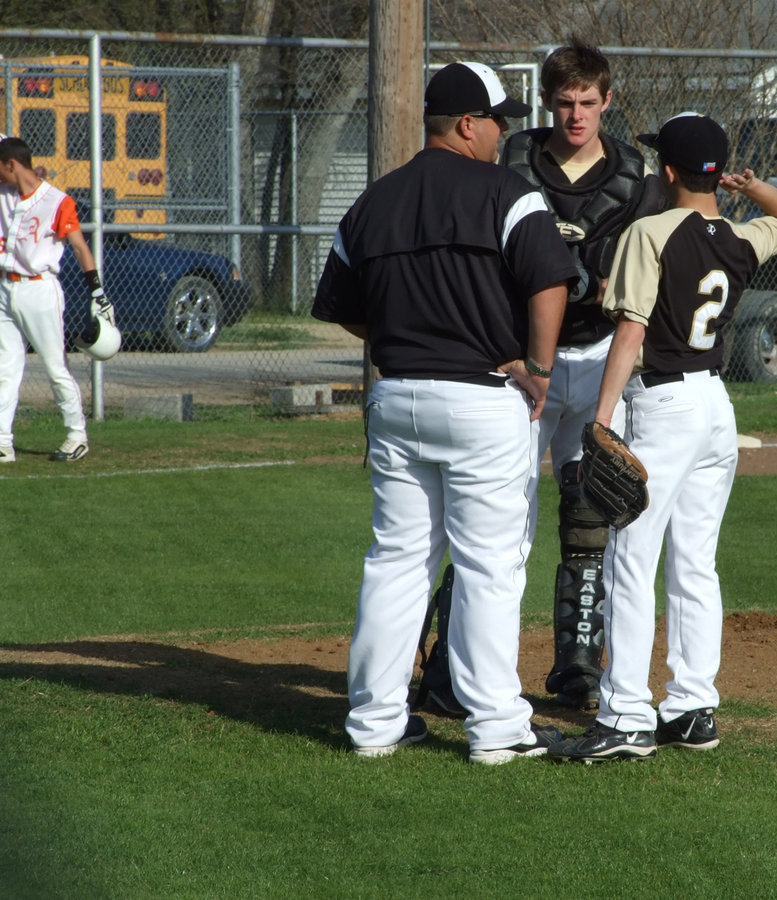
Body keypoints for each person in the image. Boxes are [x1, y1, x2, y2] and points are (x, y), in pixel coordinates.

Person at [311, 62, 578, 764]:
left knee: (396, 561)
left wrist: (404, 340)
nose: (502, 133)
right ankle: (495, 731)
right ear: (467, 124)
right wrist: (540, 368)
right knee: (490, 566)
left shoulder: (373, 202)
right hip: (483, 398)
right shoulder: (506, 193)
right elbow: (550, 280)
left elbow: (341, 308)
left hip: (397, 398)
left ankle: (374, 723)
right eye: (497, 120)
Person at [550, 113, 777, 763]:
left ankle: (627, 716)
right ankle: (692, 708)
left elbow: (630, 334)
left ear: (665, 172)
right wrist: (745, 187)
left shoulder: (650, 232)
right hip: (716, 407)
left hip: (661, 403)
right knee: (694, 561)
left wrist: (599, 421)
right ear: (716, 174)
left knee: (630, 557)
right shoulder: (740, 241)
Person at [498, 36, 664, 712]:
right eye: (563, 103)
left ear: (607, 101)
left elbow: (654, 260)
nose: (575, 116)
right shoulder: (513, 162)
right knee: (499, 517)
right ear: (546, 102)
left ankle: (577, 663)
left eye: (587, 103)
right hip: (524, 360)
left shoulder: (636, 174)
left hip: (600, 355)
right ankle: (464, 665)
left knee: (590, 511)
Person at [0, 135, 108, 463]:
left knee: (54, 366)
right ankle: (3, 441)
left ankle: (76, 435)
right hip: (5, 288)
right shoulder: (6, 193)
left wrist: (98, 292)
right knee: (6, 367)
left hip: (40, 289)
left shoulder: (56, 201)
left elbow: (79, 246)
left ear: (12, 165)